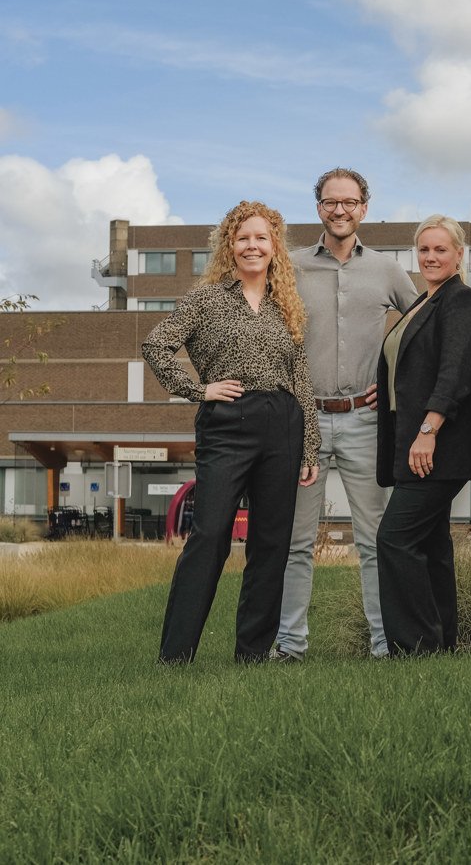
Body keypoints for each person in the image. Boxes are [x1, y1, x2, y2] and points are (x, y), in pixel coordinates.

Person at [143, 200, 320, 664]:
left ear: (274, 245)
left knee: (271, 541)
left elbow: (300, 376)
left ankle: (253, 656)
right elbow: (156, 345)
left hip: (283, 423)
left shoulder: (288, 304)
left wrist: (309, 447)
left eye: (261, 237)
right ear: (229, 246)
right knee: (210, 535)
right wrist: (198, 389)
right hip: (228, 422)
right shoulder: (206, 299)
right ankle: (175, 655)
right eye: (243, 238)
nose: (252, 245)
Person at [273, 169, 418, 661]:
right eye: (331, 202)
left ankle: (383, 644)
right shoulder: (287, 268)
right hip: (302, 421)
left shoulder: (387, 270)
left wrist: (396, 386)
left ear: (364, 208)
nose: (340, 210)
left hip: (364, 420)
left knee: (376, 540)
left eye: (350, 202)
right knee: (295, 542)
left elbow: (422, 333)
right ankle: (290, 646)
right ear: (318, 208)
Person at [375, 215, 471, 655]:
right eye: (424, 249)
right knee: (431, 544)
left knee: (395, 539)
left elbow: (455, 374)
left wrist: (429, 429)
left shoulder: (461, 302)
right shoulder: (424, 301)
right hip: (413, 441)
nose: (431, 257)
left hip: (437, 445)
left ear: (460, 255)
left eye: (441, 249)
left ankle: (415, 647)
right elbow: (409, 367)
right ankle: (441, 647)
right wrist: (380, 391)